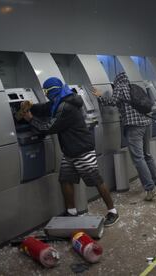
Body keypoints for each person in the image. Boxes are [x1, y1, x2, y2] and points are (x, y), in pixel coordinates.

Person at [22, 77, 119, 226]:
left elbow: (49, 128)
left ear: (52, 91)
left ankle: (113, 211)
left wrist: (30, 120)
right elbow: (46, 108)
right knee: (65, 180)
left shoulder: (65, 107)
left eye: (46, 91)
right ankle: (71, 212)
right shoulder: (60, 100)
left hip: (82, 150)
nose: (46, 94)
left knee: (96, 180)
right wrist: (31, 106)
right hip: (69, 150)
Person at [94, 72, 156, 201]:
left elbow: (112, 102)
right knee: (147, 155)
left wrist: (100, 96)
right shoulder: (134, 87)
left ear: (116, 81)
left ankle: (150, 188)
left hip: (134, 126)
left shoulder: (119, 87)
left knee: (138, 158)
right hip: (147, 123)